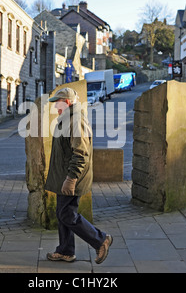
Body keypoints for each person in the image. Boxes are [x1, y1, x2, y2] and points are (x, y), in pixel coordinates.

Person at [45, 87, 112, 264]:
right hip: (64, 177)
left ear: (67, 102)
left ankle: (100, 239)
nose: (55, 108)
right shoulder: (67, 119)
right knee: (62, 213)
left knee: (67, 214)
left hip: (72, 178)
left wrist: (71, 179)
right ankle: (66, 251)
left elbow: (80, 153)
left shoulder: (75, 121)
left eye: (57, 104)